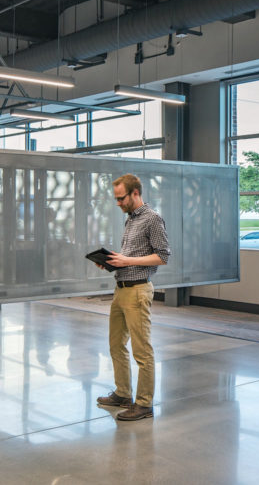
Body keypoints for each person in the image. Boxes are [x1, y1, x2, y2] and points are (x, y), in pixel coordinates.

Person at [95, 174, 171, 421]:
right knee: (116, 344)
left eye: (121, 198)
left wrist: (127, 261)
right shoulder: (130, 220)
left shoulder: (153, 219)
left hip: (138, 291)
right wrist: (113, 262)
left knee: (142, 350)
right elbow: (133, 255)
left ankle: (144, 404)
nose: (118, 203)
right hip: (121, 288)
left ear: (135, 193)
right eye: (116, 198)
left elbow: (162, 256)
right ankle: (123, 394)